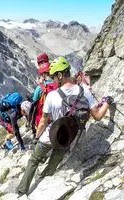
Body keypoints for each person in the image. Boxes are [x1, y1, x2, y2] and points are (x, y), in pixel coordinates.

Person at [17, 57, 113, 196]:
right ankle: (43, 184)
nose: (54, 80)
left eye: (54, 76)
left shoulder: (52, 96)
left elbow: (43, 122)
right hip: (67, 139)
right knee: (53, 163)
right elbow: (98, 116)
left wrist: (37, 138)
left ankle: (21, 191)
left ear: (60, 75)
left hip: (50, 136)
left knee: (34, 160)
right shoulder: (84, 92)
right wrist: (107, 103)